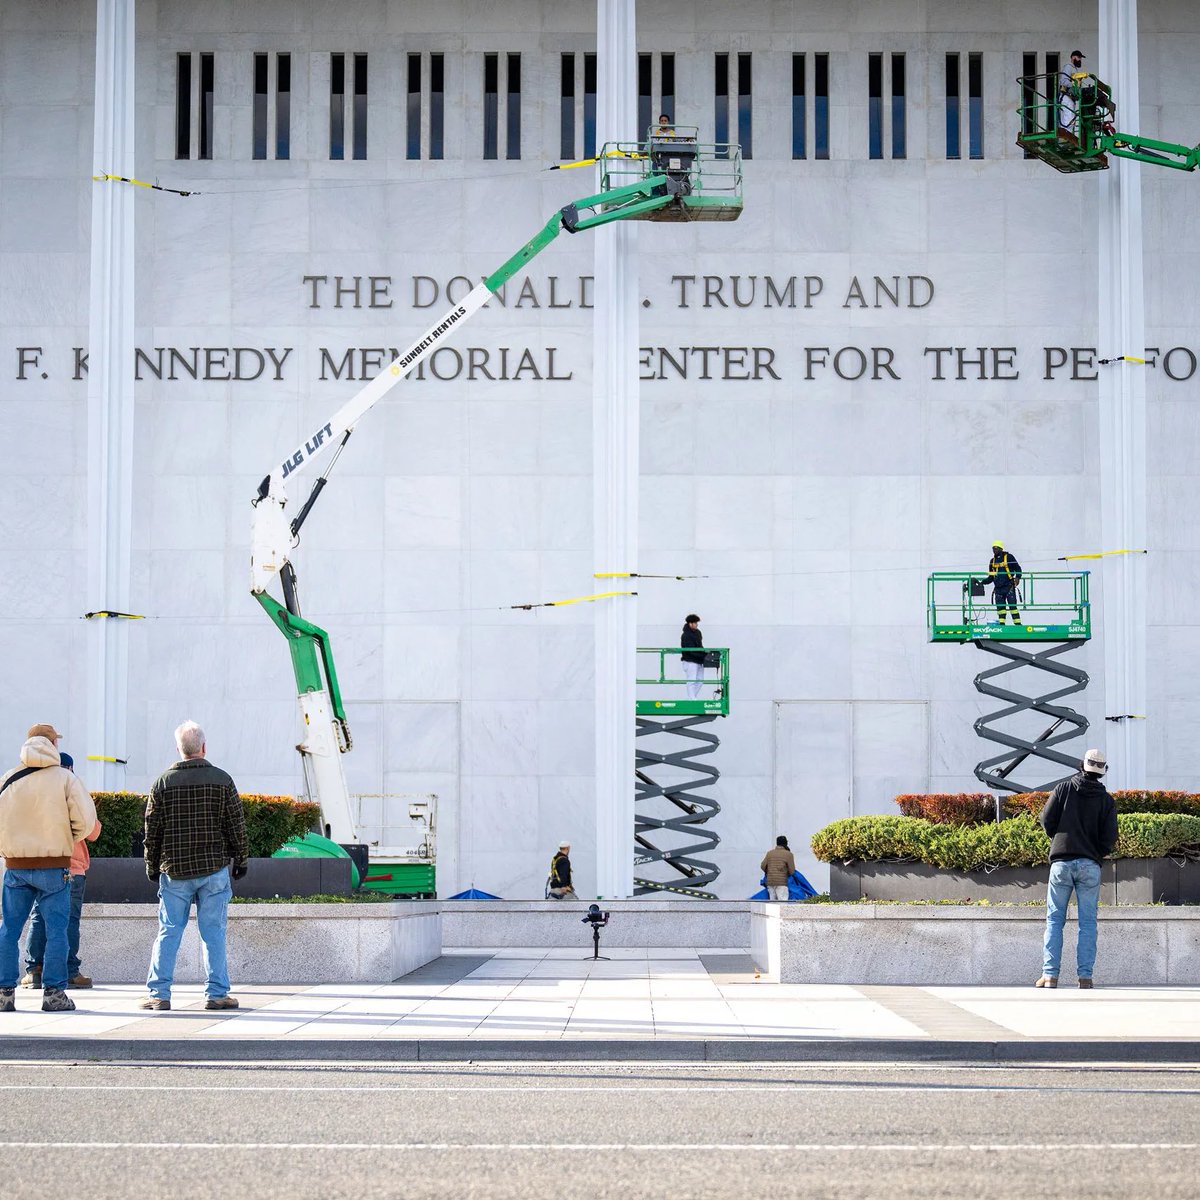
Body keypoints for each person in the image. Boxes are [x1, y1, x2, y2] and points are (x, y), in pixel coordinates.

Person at [141, 720, 248, 1012]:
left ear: (179, 749)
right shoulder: (222, 780)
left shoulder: (162, 782)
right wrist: (241, 859)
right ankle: (216, 993)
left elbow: (152, 831)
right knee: (213, 932)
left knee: (168, 931)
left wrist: (152, 866)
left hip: (174, 870)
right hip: (213, 869)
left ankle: (159, 994)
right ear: (203, 747)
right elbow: (235, 825)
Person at [0, 723, 97, 1014]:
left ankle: (4, 993)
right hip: (55, 866)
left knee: (9, 930)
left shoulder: (9, 778)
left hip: (16, 866)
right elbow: (86, 822)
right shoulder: (64, 779)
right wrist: (67, 839)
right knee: (57, 931)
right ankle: (54, 995)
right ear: (54, 744)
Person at [1036, 748, 1118, 989]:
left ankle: (1050, 975)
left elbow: (1046, 820)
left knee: (1054, 920)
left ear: (1082, 765)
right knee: (1088, 923)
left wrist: (1059, 839)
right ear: (1102, 771)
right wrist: (1095, 852)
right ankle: (1085, 977)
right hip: (1090, 865)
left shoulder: (1063, 789)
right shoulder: (1106, 800)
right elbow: (1110, 837)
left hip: (1061, 863)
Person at [21, 751, 102, 990]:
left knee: (39, 917)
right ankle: (69, 971)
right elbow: (94, 832)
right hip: (73, 867)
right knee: (69, 920)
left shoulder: (36, 791)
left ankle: (34, 970)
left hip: (41, 863)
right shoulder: (76, 793)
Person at [983, 540, 1022, 625]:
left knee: (1013, 607)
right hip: (998, 589)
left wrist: (1018, 578)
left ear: (1001, 548)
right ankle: (1001, 626)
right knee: (1000, 609)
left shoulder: (1009, 557)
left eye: (996, 548)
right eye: (993, 548)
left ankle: (1018, 625)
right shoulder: (992, 561)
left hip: (1009, 587)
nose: (994, 550)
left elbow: (1018, 569)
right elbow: (991, 577)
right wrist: (981, 582)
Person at [760, 836, 796, 902]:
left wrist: (770, 871)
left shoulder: (769, 853)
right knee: (782, 903)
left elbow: (762, 866)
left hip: (770, 882)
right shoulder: (789, 854)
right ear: (786, 843)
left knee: (772, 904)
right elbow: (792, 871)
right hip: (782, 882)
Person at [1058, 49, 1086, 130]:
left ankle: (1066, 137)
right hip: (1066, 96)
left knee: (1069, 118)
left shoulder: (1074, 69)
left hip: (1070, 97)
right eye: (1078, 57)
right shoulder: (1068, 66)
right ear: (1073, 57)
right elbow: (1063, 81)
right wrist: (1073, 84)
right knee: (1069, 117)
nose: (1080, 60)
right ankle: (1066, 138)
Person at [681, 614, 706, 699]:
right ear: (690, 624)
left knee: (700, 680)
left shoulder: (698, 633)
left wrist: (705, 654)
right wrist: (702, 655)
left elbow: (700, 646)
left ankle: (692, 698)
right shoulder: (686, 635)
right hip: (690, 661)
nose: (697, 624)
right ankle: (692, 699)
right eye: (695, 623)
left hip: (699, 661)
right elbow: (690, 650)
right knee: (691, 680)